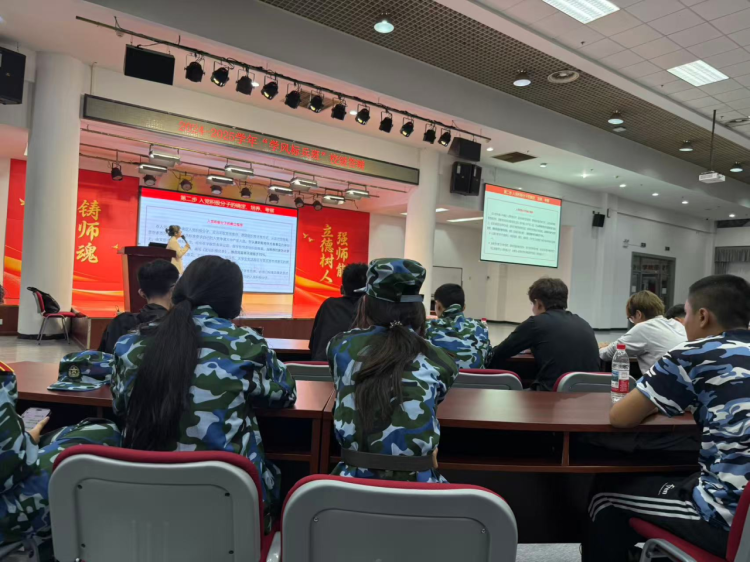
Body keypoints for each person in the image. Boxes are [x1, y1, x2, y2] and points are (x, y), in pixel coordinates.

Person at [112, 255, 296, 533]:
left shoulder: (129, 343)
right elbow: (285, 392)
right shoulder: (247, 343)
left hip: (143, 512)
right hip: (230, 516)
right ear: (234, 302)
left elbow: (119, 405)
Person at [583, 274, 750, 561]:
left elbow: (621, 417)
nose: (683, 324)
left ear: (703, 316)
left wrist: (663, 400)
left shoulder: (692, 354)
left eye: (686, 315)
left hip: (730, 520)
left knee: (604, 496)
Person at [327, 258, 458, 482]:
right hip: (421, 489)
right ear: (417, 308)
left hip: (353, 485)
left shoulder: (340, 347)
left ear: (367, 303)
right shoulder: (443, 361)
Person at [0, 364, 120, 551]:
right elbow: (10, 465)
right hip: (7, 508)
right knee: (103, 433)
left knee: (59, 436)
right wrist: (28, 441)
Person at [488, 277, 599, 390]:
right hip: (588, 395)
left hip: (552, 395)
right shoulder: (583, 323)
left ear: (538, 303)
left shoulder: (535, 323)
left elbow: (499, 353)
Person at [98, 259, 179, 353]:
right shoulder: (180, 324)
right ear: (175, 289)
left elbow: (106, 357)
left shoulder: (121, 323)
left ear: (141, 293)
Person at [599, 290, 686, 374]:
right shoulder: (676, 324)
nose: (633, 323)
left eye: (631, 318)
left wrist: (600, 348)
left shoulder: (644, 327)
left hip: (663, 382)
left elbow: (609, 353)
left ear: (638, 314)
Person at [309, 263, 367, 361]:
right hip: (360, 369)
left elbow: (313, 345)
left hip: (323, 368)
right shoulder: (373, 309)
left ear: (342, 289)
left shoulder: (329, 306)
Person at [426, 283, 491, 369]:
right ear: (464, 307)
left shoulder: (428, 327)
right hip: (477, 377)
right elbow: (488, 357)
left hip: (443, 377)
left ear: (438, 306)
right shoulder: (480, 327)